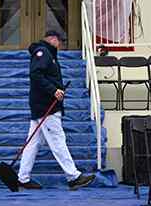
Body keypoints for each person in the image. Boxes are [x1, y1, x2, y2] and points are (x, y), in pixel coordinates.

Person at [17, 27, 95, 190]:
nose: (60, 45)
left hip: (42, 104)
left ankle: (22, 178)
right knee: (58, 140)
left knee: (33, 143)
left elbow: (40, 75)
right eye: (60, 42)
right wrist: (53, 90)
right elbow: (36, 74)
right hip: (46, 106)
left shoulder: (47, 54)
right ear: (53, 39)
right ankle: (73, 176)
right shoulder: (43, 53)